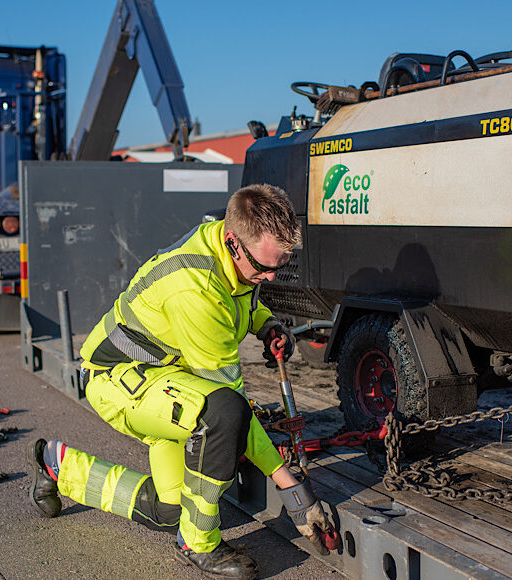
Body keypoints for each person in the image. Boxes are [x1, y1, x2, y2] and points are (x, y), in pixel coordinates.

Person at [27, 183, 334, 579]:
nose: (269, 277)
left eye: (280, 266)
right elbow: (231, 404)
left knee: (172, 509)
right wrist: (292, 489)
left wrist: (266, 323)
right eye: (263, 267)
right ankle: (199, 545)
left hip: (167, 378)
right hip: (118, 380)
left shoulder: (228, 252)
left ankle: (55, 465)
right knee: (224, 414)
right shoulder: (196, 288)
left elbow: (243, 294)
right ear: (232, 240)